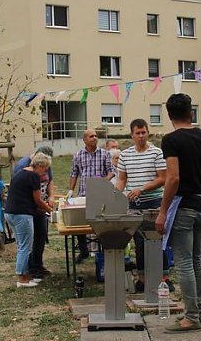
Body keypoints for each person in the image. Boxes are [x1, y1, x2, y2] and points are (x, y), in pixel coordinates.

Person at [156, 94, 201, 332]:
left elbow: (173, 177)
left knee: (183, 263)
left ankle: (191, 317)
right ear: (191, 113)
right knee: (196, 262)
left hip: (183, 208)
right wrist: (199, 186)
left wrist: (162, 212)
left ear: (169, 116)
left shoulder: (171, 140)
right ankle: (200, 312)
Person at [115, 119, 167, 292]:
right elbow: (122, 179)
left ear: (148, 132)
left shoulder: (156, 152)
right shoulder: (125, 154)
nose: (141, 136)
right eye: (137, 133)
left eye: (143, 132)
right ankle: (142, 279)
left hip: (153, 202)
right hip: (134, 204)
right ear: (132, 135)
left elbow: (162, 178)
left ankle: (163, 278)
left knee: (157, 240)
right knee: (139, 242)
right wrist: (116, 196)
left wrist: (142, 189)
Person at [5, 153, 55, 288]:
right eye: (44, 169)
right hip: (22, 214)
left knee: (22, 245)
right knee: (25, 247)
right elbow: (38, 200)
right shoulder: (33, 176)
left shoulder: (20, 173)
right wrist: (52, 212)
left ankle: (26, 275)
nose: (44, 173)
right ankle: (22, 278)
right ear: (39, 165)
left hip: (10, 213)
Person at [68, 129, 113, 263]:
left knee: (101, 223)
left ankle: (103, 250)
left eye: (96, 136)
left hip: (100, 194)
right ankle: (84, 250)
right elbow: (74, 173)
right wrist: (71, 190)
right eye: (91, 136)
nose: (94, 138)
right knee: (80, 222)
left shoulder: (105, 154)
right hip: (83, 193)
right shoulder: (78, 155)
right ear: (85, 140)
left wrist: (102, 181)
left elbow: (111, 172)